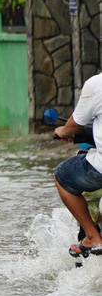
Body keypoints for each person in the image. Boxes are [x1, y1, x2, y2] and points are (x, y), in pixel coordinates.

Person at [54, 73, 102, 255]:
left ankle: (93, 237)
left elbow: (75, 125)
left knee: (62, 176)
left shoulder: (96, 84)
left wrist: (63, 131)